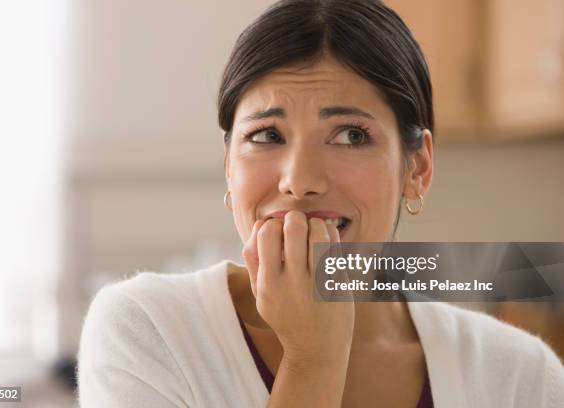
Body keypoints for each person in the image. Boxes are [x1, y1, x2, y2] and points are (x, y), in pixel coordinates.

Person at [76, 0, 564, 407]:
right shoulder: (147, 330)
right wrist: (314, 358)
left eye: (351, 135)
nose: (300, 180)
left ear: (417, 169)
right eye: (267, 134)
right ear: (229, 166)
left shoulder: (520, 377)